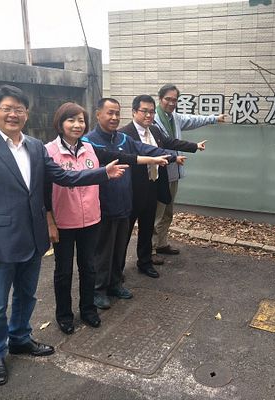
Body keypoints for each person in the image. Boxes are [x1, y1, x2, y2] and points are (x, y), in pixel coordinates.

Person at [0, 85, 127, 386]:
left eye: (19, 109)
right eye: (7, 108)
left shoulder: (35, 147)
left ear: (26, 114)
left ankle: (20, 338)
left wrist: (102, 173)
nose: (13, 114)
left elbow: (64, 176)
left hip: (33, 237)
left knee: (27, 295)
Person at [44, 102, 168, 335]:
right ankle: (64, 315)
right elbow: (51, 186)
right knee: (63, 272)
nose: (77, 125)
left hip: (91, 218)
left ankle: (88, 309)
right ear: (60, 123)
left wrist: (154, 159)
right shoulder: (48, 151)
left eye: (81, 120)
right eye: (71, 120)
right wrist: (49, 220)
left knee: (89, 266)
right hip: (64, 220)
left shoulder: (90, 148)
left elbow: (124, 157)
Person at [84, 98, 175, 310]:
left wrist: (169, 156)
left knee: (119, 249)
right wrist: (152, 159)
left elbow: (144, 148)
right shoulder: (89, 142)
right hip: (102, 206)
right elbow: (123, 158)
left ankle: (115, 283)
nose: (114, 117)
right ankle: (98, 289)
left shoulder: (124, 138)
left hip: (124, 203)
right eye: (109, 113)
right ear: (98, 114)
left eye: (117, 113)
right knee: (102, 251)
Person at [121, 94, 207, 278]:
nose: (148, 115)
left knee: (147, 228)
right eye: (144, 111)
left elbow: (169, 143)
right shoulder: (124, 134)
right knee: (124, 232)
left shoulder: (154, 130)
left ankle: (145, 262)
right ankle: (116, 270)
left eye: (152, 112)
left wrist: (194, 146)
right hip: (132, 190)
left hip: (153, 185)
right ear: (134, 111)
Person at [153, 84, 226, 258]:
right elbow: (164, 143)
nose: (171, 103)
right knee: (156, 213)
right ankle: (149, 250)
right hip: (158, 173)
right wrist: (188, 149)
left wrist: (214, 118)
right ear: (160, 98)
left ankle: (161, 244)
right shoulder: (153, 119)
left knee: (168, 211)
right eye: (168, 99)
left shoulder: (174, 117)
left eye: (175, 100)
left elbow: (193, 120)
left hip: (173, 172)